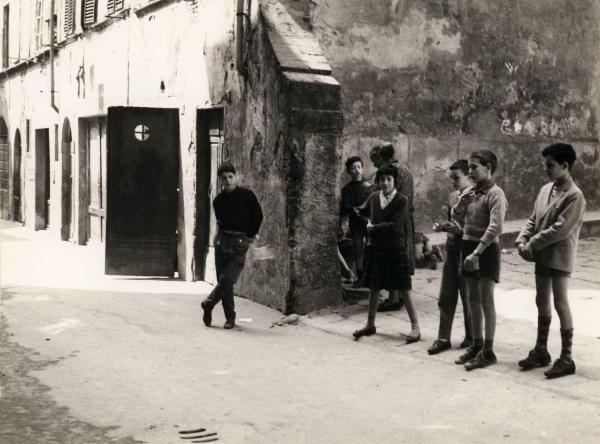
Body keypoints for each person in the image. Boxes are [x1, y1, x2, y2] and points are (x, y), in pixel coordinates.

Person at [515, 143, 586, 379]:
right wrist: (521, 239)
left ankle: (566, 358)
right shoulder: (546, 189)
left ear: (565, 166)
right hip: (542, 255)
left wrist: (531, 243)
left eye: (551, 165)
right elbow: (534, 218)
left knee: (560, 303)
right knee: (541, 300)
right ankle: (541, 350)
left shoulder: (575, 196)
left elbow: (560, 229)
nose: (546, 170)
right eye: (545, 165)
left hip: (559, 255)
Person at [352, 165, 420, 343]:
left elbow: (396, 226)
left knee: (404, 289)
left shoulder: (402, 200)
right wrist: (363, 218)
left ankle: (416, 328)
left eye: (389, 179)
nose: (385, 183)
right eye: (382, 179)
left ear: (394, 181)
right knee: (374, 287)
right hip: (376, 248)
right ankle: (370, 324)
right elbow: (364, 213)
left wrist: (373, 228)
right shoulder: (374, 197)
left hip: (396, 248)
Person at [453, 150, 507, 370]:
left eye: (474, 167)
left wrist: (477, 252)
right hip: (468, 245)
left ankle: (489, 351)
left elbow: (496, 227)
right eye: (469, 167)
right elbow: (456, 216)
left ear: (488, 168)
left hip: (485, 250)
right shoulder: (470, 192)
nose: (470, 171)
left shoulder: (496, 194)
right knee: (471, 298)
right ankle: (477, 344)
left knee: (486, 300)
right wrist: (461, 202)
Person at [201, 162, 263, 329]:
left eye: (230, 177)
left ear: (236, 177)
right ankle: (230, 318)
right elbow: (223, 221)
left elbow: (258, 216)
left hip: (239, 243)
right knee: (224, 281)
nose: (228, 180)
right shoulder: (218, 201)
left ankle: (209, 303)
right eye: (224, 178)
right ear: (220, 180)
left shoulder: (247, 196)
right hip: (222, 241)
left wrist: (250, 234)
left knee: (229, 278)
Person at [428, 160, 473, 355]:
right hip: (452, 249)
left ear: (468, 177)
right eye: (451, 178)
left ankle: (472, 337)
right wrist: (443, 226)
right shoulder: (453, 196)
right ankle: (443, 337)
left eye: (457, 178)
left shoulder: (475, 198)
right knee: (446, 295)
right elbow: (452, 221)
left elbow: (477, 229)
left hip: (468, 251)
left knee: (468, 296)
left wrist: (461, 230)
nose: (453, 182)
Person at [340, 156, 372, 286]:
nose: (357, 170)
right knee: (358, 251)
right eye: (353, 168)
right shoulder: (347, 189)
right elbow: (345, 206)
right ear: (349, 171)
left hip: (369, 222)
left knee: (371, 249)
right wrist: (354, 209)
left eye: (359, 167)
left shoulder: (369, 186)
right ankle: (360, 277)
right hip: (356, 223)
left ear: (362, 168)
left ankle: (370, 277)